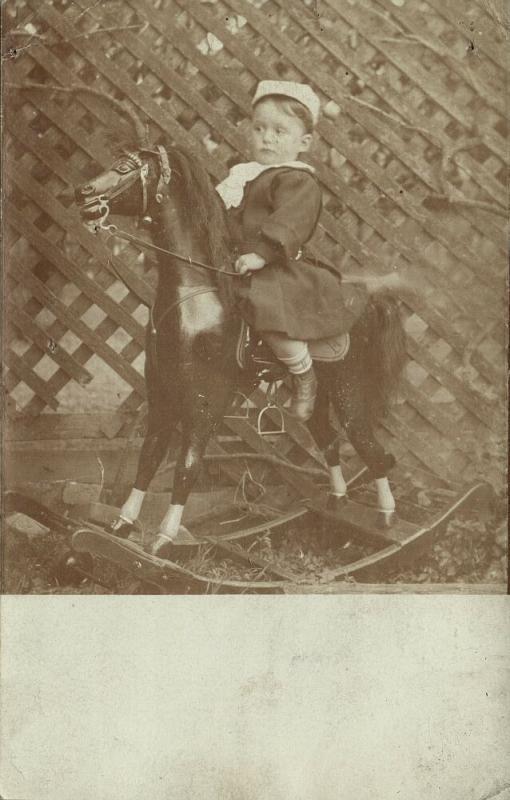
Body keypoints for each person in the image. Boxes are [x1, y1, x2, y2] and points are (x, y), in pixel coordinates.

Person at [216, 80, 368, 421]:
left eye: (279, 131)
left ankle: (303, 375)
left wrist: (262, 254)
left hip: (274, 268)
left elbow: (290, 222)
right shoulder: (245, 175)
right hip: (237, 264)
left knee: (268, 312)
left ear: (304, 142)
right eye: (259, 128)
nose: (267, 138)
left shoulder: (297, 181)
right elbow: (224, 216)